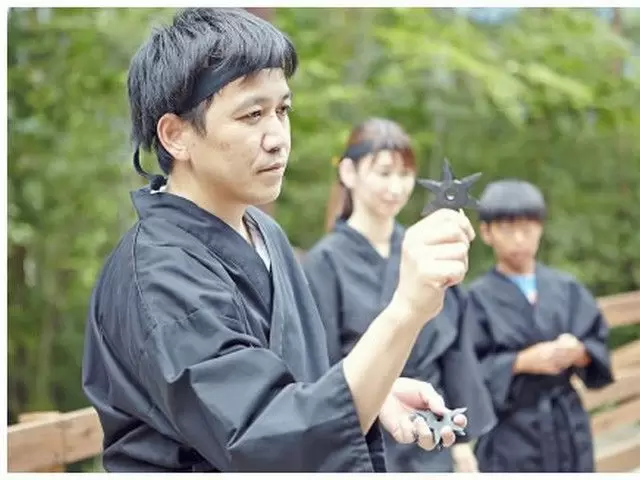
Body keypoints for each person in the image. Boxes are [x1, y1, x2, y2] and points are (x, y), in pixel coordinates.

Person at [81, 8, 476, 473]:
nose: (277, 138)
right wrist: (406, 311)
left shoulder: (263, 231)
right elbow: (265, 437)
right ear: (176, 135)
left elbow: (295, 387)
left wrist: (376, 392)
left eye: (282, 110)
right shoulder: (157, 274)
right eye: (252, 114)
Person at [301, 117, 496, 473]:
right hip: (362, 439)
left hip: (433, 431)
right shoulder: (323, 263)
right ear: (348, 172)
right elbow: (318, 367)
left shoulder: (424, 248)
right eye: (384, 173)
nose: (395, 187)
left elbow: (454, 349)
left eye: (405, 174)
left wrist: (462, 443)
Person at [464, 179, 614, 472]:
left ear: (540, 228)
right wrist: (520, 362)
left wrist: (579, 353)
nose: (519, 238)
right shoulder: (476, 299)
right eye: (507, 228)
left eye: (528, 227)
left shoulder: (567, 288)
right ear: (486, 232)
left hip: (567, 425)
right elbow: (467, 372)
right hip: (511, 432)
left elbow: (597, 345)